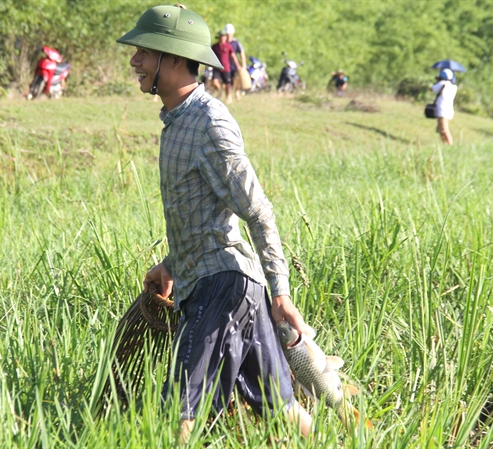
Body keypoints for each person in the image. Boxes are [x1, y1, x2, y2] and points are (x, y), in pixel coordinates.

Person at [116, 3, 313, 444]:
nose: (135, 61)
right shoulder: (177, 121)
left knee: (177, 413)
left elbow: (257, 210)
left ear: (174, 58)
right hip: (220, 283)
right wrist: (171, 264)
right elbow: (206, 215)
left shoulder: (211, 122)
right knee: (279, 407)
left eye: (144, 52)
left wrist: (280, 292)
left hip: (222, 287)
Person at [211, 30, 240, 103]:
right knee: (215, 82)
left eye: (224, 36)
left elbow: (233, 56)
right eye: (221, 37)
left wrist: (238, 66)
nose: (223, 38)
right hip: (216, 68)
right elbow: (210, 56)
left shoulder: (228, 46)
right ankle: (219, 91)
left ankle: (228, 97)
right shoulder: (214, 47)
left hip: (226, 68)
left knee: (227, 84)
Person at [431, 68, 458, 145]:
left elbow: (432, 89)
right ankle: (445, 144)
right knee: (440, 130)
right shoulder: (453, 87)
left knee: (444, 130)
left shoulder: (442, 83)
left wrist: (437, 82)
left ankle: (450, 145)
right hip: (449, 111)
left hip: (442, 111)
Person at [223, 23, 247, 101]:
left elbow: (242, 54)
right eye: (227, 34)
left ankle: (237, 91)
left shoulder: (236, 43)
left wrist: (243, 65)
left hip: (234, 65)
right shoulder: (223, 42)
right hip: (226, 65)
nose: (229, 36)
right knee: (227, 82)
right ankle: (229, 96)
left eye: (230, 34)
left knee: (237, 79)